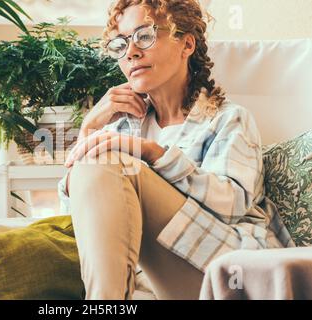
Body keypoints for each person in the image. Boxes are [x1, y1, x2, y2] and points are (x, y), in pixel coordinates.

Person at [57, 0, 294, 300]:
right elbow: (80, 224)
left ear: (187, 44)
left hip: (224, 275)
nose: (131, 52)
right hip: (151, 284)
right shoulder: (119, 130)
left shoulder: (228, 120)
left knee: (112, 162)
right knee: (101, 163)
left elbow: (233, 203)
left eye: (144, 36)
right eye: (120, 44)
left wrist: (153, 153)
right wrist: (88, 130)